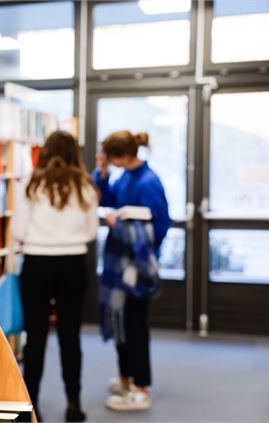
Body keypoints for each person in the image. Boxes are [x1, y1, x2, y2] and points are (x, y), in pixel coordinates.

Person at [12, 130, 98, 423]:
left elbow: (18, 232)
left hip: (37, 263)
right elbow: (91, 233)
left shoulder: (30, 185)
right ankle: (74, 405)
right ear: (76, 153)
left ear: (44, 152)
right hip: (73, 263)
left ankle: (31, 406)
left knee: (35, 337)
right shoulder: (85, 188)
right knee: (70, 336)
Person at [93, 130, 171, 411]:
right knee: (121, 322)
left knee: (136, 325)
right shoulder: (126, 175)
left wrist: (121, 226)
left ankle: (141, 388)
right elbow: (107, 199)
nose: (108, 162)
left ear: (123, 155)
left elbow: (160, 228)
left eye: (109, 158)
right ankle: (126, 379)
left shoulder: (148, 182)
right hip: (120, 263)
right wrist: (101, 174)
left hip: (137, 267)